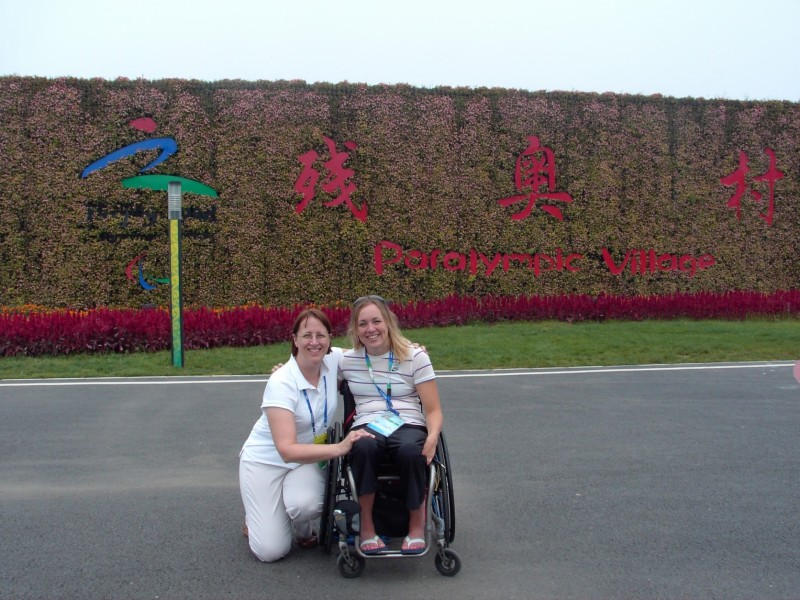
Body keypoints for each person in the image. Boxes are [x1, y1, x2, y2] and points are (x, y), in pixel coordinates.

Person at [239, 308, 374, 563]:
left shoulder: (333, 360)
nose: (314, 342)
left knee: (306, 504)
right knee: (270, 552)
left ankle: (302, 527)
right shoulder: (281, 382)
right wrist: (340, 448)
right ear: (295, 339)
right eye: (307, 335)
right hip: (266, 459)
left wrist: (411, 348)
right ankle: (256, 512)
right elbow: (287, 450)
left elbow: (373, 349)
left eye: (320, 335)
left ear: (329, 338)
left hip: (307, 458)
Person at [341, 295, 444, 555]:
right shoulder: (346, 360)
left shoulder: (415, 357)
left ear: (388, 322)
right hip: (367, 422)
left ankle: (416, 525)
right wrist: (282, 369)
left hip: (408, 422)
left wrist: (432, 438)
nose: (370, 329)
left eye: (376, 321)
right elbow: (309, 360)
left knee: (411, 451)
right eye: (363, 323)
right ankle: (366, 526)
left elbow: (433, 410)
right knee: (363, 447)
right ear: (355, 329)